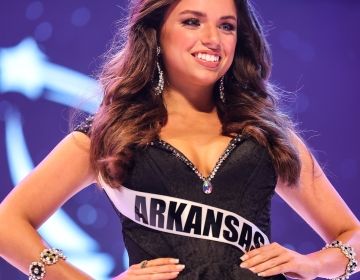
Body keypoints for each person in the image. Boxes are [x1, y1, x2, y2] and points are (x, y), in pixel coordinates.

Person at [0, 0, 359, 279]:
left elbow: (352, 235)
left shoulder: (268, 137)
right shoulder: (110, 136)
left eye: (227, 26)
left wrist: (313, 265)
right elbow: (7, 224)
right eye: (192, 21)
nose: (212, 39)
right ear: (156, 34)